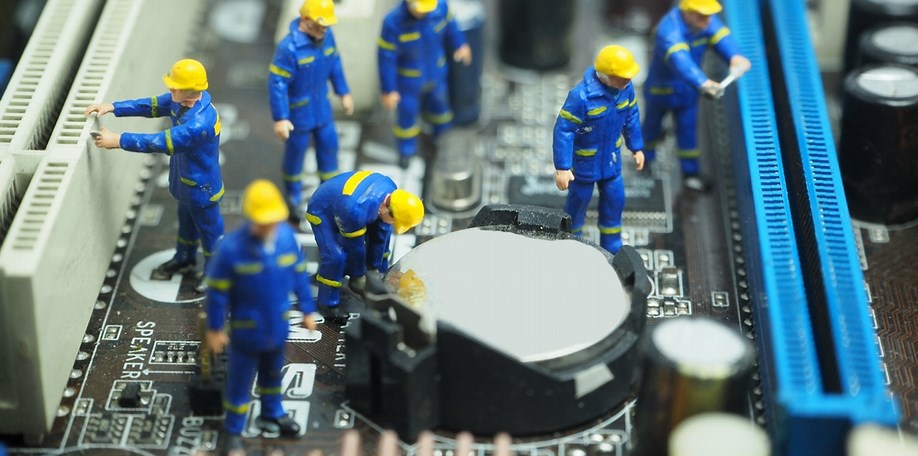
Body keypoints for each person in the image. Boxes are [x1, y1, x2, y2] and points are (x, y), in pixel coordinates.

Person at [86, 58, 225, 292]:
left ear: (189, 90)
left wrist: (118, 140)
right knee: (186, 225)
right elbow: (150, 105)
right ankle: (185, 258)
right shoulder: (181, 101)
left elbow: (160, 141)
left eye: (175, 87)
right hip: (186, 183)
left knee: (210, 231)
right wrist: (113, 107)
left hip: (203, 188)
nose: (170, 91)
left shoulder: (199, 123)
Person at [205, 180, 317, 455]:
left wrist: (307, 310)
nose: (268, 227)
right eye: (263, 221)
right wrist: (215, 328)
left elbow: (299, 276)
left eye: (272, 221)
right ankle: (233, 430)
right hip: (246, 332)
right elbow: (217, 294)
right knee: (239, 383)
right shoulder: (231, 250)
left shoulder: (286, 240)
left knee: (273, 375)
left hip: (277, 328)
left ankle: (272, 413)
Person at [642, 0, 751, 191]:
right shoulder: (669, 30)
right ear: (688, 13)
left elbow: (722, 37)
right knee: (651, 128)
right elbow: (680, 61)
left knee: (688, 131)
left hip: (688, 93)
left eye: (708, 15)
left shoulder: (704, 21)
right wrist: (703, 83)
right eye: (702, 16)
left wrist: (735, 56)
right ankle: (644, 160)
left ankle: (690, 173)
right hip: (661, 91)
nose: (708, 20)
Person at [553, 45, 645, 255]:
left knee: (615, 199)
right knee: (578, 203)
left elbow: (631, 118)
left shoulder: (626, 90)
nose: (628, 80)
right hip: (584, 165)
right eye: (623, 77)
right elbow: (564, 130)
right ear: (607, 76)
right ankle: (571, 240)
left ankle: (611, 242)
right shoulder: (581, 97)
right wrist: (562, 167)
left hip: (611, 162)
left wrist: (637, 147)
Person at [269, 0, 354, 222]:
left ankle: (331, 195)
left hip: (322, 111)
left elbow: (335, 64)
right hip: (298, 116)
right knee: (295, 158)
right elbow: (278, 84)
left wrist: (343, 92)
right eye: (319, 24)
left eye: (326, 25)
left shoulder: (327, 37)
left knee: (329, 150)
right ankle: (293, 200)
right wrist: (280, 118)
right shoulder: (289, 48)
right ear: (305, 20)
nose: (323, 29)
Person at [305, 170, 424, 323]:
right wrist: (358, 277)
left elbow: (380, 236)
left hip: (346, 206)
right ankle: (327, 304)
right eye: (395, 221)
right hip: (322, 209)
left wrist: (377, 271)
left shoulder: (391, 192)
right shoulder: (355, 209)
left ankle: (371, 271)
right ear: (388, 210)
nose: (395, 224)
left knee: (383, 233)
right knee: (337, 257)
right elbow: (355, 247)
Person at [377, 0, 471, 168]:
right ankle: (406, 151)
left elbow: (452, 28)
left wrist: (460, 45)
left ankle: (443, 140)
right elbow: (386, 58)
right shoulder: (393, 22)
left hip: (436, 75)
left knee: (441, 110)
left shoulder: (440, 8)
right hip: (408, 81)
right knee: (407, 116)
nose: (424, 12)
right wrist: (388, 89)